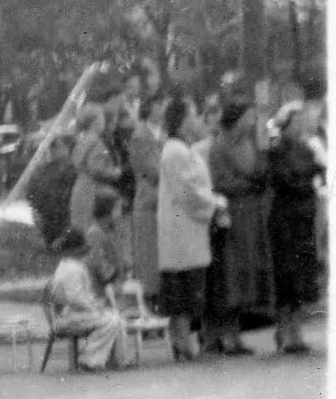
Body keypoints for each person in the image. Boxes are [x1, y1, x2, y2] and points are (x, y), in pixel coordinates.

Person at [205, 82, 275, 354]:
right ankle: (226, 335)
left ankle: (234, 333)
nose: (252, 122)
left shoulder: (250, 143)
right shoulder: (219, 146)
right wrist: (248, 184)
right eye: (248, 117)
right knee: (228, 276)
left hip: (251, 214)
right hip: (232, 215)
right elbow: (221, 182)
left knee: (243, 275)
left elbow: (259, 168)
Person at [157, 93, 224, 362]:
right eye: (194, 114)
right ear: (183, 120)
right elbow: (189, 192)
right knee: (183, 284)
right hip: (181, 226)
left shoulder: (184, 149)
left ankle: (182, 339)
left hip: (188, 226)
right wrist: (215, 204)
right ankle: (182, 339)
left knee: (188, 282)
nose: (197, 119)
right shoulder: (175, 151)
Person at [267, 98, 325, 354]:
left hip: (303, 215)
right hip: (285, 217)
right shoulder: (277, 150)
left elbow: (318, 169)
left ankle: (295, 329)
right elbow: (284, 180)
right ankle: (284, 327)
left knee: (302, 273)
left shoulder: (306, 148)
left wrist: (307, 175)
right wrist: (306, 177)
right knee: (286, 274)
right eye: (297, 120)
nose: (301, 124)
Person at [48, 229, 124, 372]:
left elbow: (79, 297)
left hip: (70, 314)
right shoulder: (72, 268)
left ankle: (112, 359)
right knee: (110, 320)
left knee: (112, 317)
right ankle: (90, 360)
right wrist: (94, 308)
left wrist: (95, 305)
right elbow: (75, 298)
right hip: (66, 318)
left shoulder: (68, 264)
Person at [127, 94, 165, 299]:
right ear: (148, 108)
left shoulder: (164, 134)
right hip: (148, 199)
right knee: (149, 254)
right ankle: (151, 297)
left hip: (163, 200)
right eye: (158, 104)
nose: (161, 108)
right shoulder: (140, 136)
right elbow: (153, 169)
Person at [68, 103, 122, 235]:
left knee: (84, 233)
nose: (103, 122)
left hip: (80, 188)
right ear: (95, 122)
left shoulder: (80, 141)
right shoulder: (96, 142)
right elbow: (96, 168)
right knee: (97, 234)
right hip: (94, 191)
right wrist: (114, 172)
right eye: (101, 118)